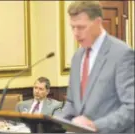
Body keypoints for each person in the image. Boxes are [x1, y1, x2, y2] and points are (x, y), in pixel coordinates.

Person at [55, 1, 134, 133]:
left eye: (81, 27)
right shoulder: (77, 57)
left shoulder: (121, 54)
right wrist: (53, 122)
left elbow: (131, 107)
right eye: (72, 27)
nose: (75, 33)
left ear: (98, 22)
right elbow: (72, 102)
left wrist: (95, 125)